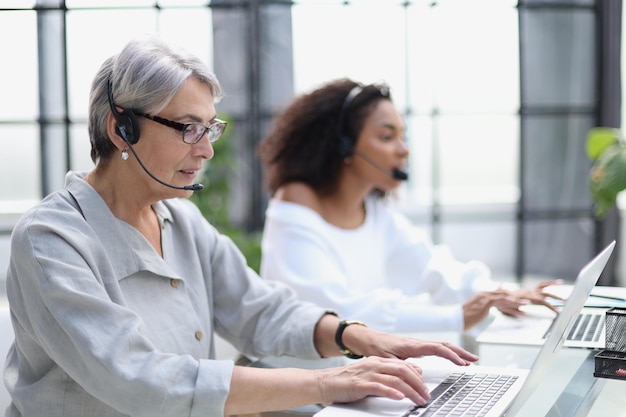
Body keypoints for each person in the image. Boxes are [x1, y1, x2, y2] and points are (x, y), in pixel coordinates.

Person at [2, 37, 480, 417]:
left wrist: (357, 336)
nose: (206, 149)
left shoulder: (181, 220)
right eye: (188, 128)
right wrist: (325, 383)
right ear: (120, 128)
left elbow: (258, 311)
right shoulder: (51, 241)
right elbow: (139, 379)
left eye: (210, 128)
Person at [257, 78, 563, 335]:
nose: (404, 150)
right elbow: (337, 310)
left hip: (356, 374)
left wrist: (500, 294)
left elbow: (433, 268)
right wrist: (454, 317)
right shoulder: (296, 201)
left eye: (402, 136)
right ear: (344, 145)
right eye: (387, 136)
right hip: (305, 388)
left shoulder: (373, 210)